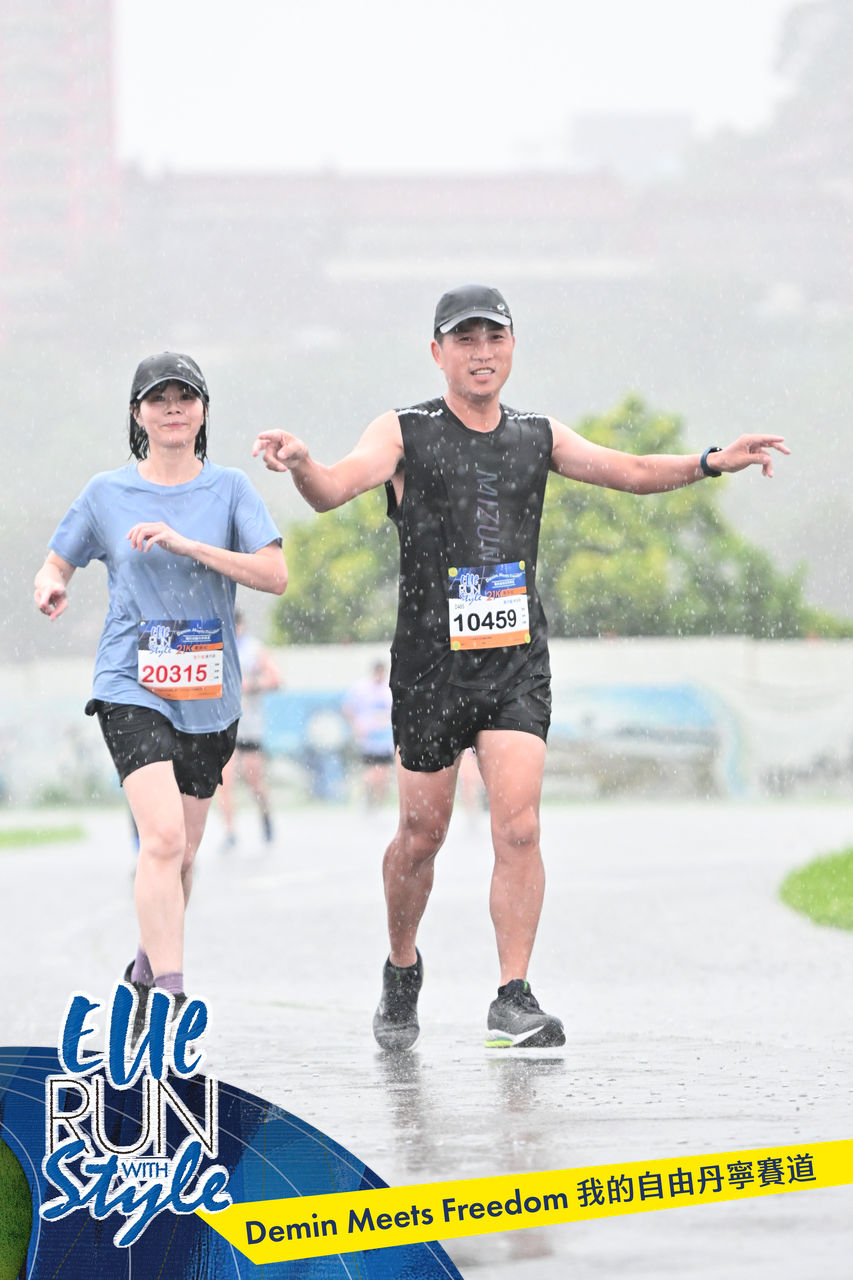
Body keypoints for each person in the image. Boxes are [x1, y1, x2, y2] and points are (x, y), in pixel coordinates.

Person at [253, 284, 788, 1052]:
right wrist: (304, 463)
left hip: (514, 664)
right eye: (464, 340)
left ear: (511, 347)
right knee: (420, 836)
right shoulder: (404, 430)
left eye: (493, 338)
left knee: (520, 825)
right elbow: (333, 490)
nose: (481, 353)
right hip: (430, 669)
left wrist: (709, 462)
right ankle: (401, 966)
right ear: (436, 352)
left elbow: (629, 469)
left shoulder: (536, 435)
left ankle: (512, 995)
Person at [34, 352, 286, 1023]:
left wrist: (187, 545)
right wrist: (51, 583)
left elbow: (274, 575)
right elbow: (57, 561)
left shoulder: (230, 490)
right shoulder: (106, 493)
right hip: (131, 681)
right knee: (164, 839)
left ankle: (144, 972)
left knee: (184, 856)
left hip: (208, 693)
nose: (172, 408)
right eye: (157, 398)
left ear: (203, 411)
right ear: (136, 414)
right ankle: (171, 997)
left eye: (185, 396)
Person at [218, 608, 281, 847]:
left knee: (253, 779)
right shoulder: (214, 646)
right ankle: (230, 832)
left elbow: (276, 678)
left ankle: (265, 814)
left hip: (250, 725)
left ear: (240, 625)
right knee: (224, 781)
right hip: (223, 724)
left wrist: (250, 684)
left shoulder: (254, 649)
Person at [343, 661, 395, 807]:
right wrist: (355, 726)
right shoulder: (361, 689)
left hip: (385, 739)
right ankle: (365, 798)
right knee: (371, 773)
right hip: (368, 739)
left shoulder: (388, 689)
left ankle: (377, 805)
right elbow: (347, 708)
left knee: (384, 775)